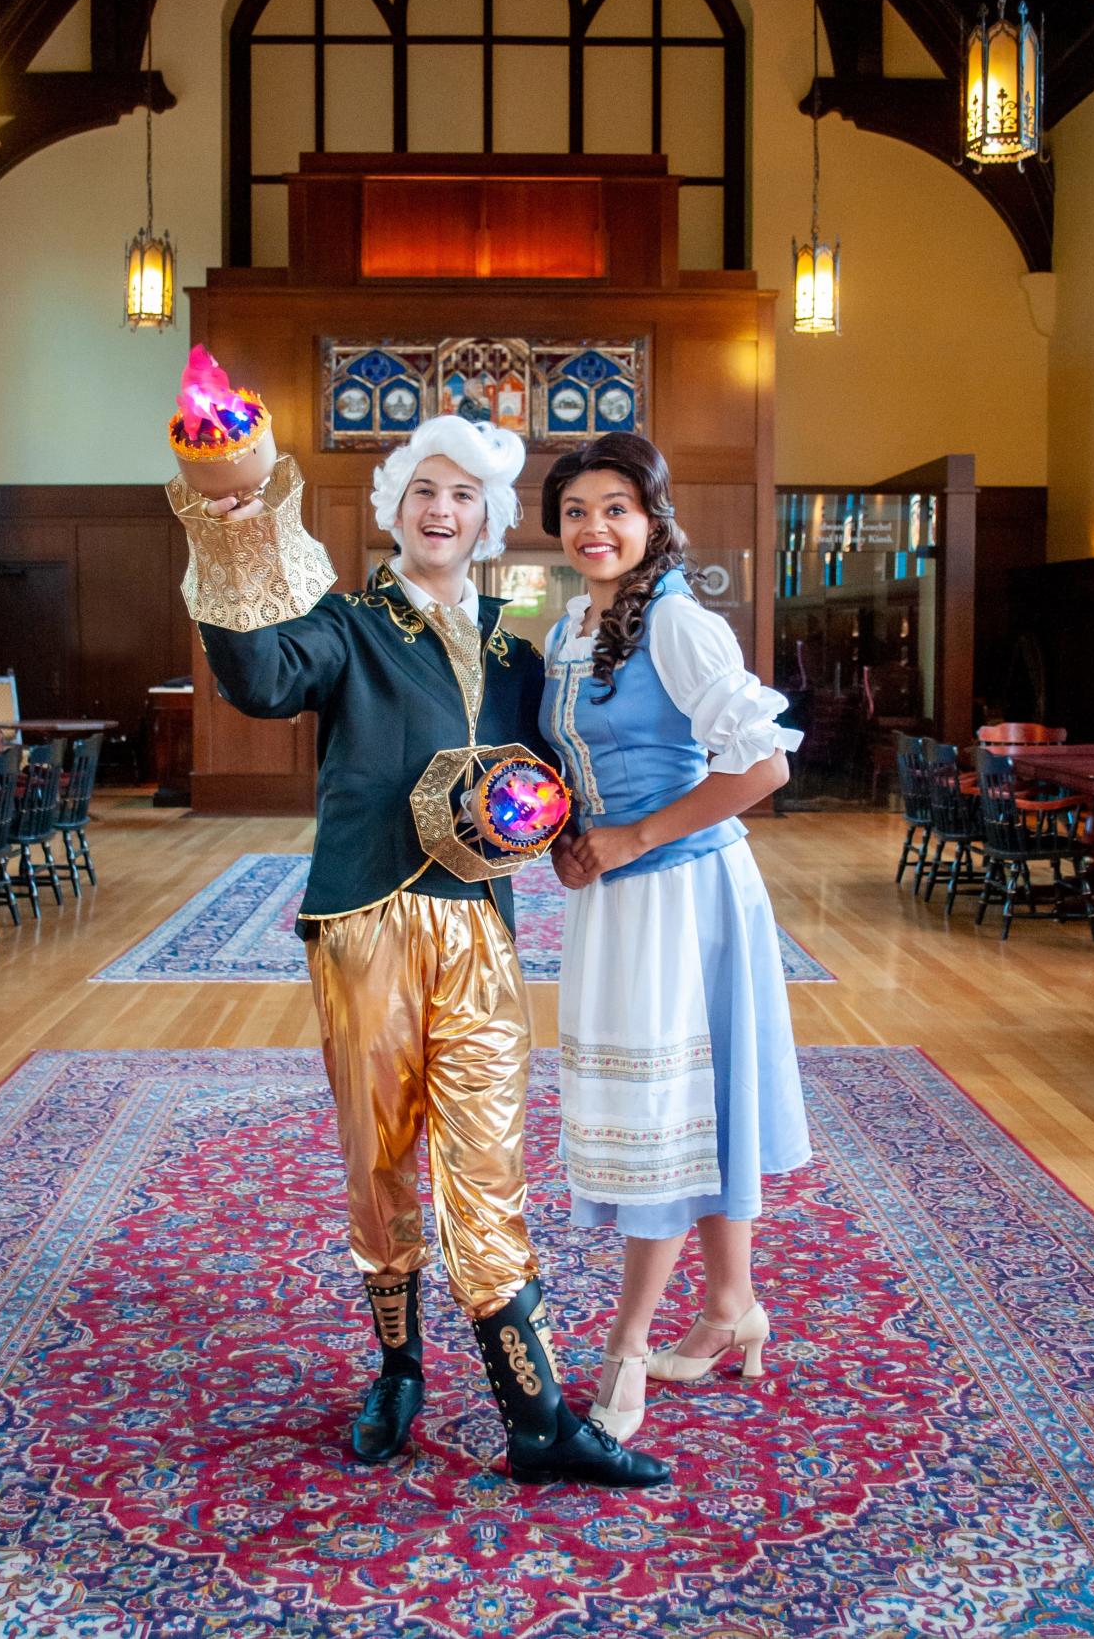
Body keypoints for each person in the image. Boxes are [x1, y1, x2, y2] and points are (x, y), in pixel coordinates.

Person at [173, 413, 667, 1487]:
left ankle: (535, 1415)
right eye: (423, 493)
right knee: (382, 1161)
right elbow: (259, 680)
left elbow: (547, 778)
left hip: (480, 926)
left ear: (488, 519)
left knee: (490, 1163)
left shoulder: (514, 646)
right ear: (396, 510)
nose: (442, 510)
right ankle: (399, 1366)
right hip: (366, 921)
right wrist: (233, 532)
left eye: (463, 495)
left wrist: (571, 823)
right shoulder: (346, 623)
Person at [541, 434, 810, 1442]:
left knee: (660, 1120)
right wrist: (571, 836)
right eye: (575, 510)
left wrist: (632, 837)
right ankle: (732, 1304)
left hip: (686, 892)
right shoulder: (571, 622)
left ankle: (625, 1349)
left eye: (616, 507)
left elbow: (764, 768)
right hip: (613, 899)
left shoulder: (678, 622)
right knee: (686, 1106)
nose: (595, 526)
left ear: (652, 520)